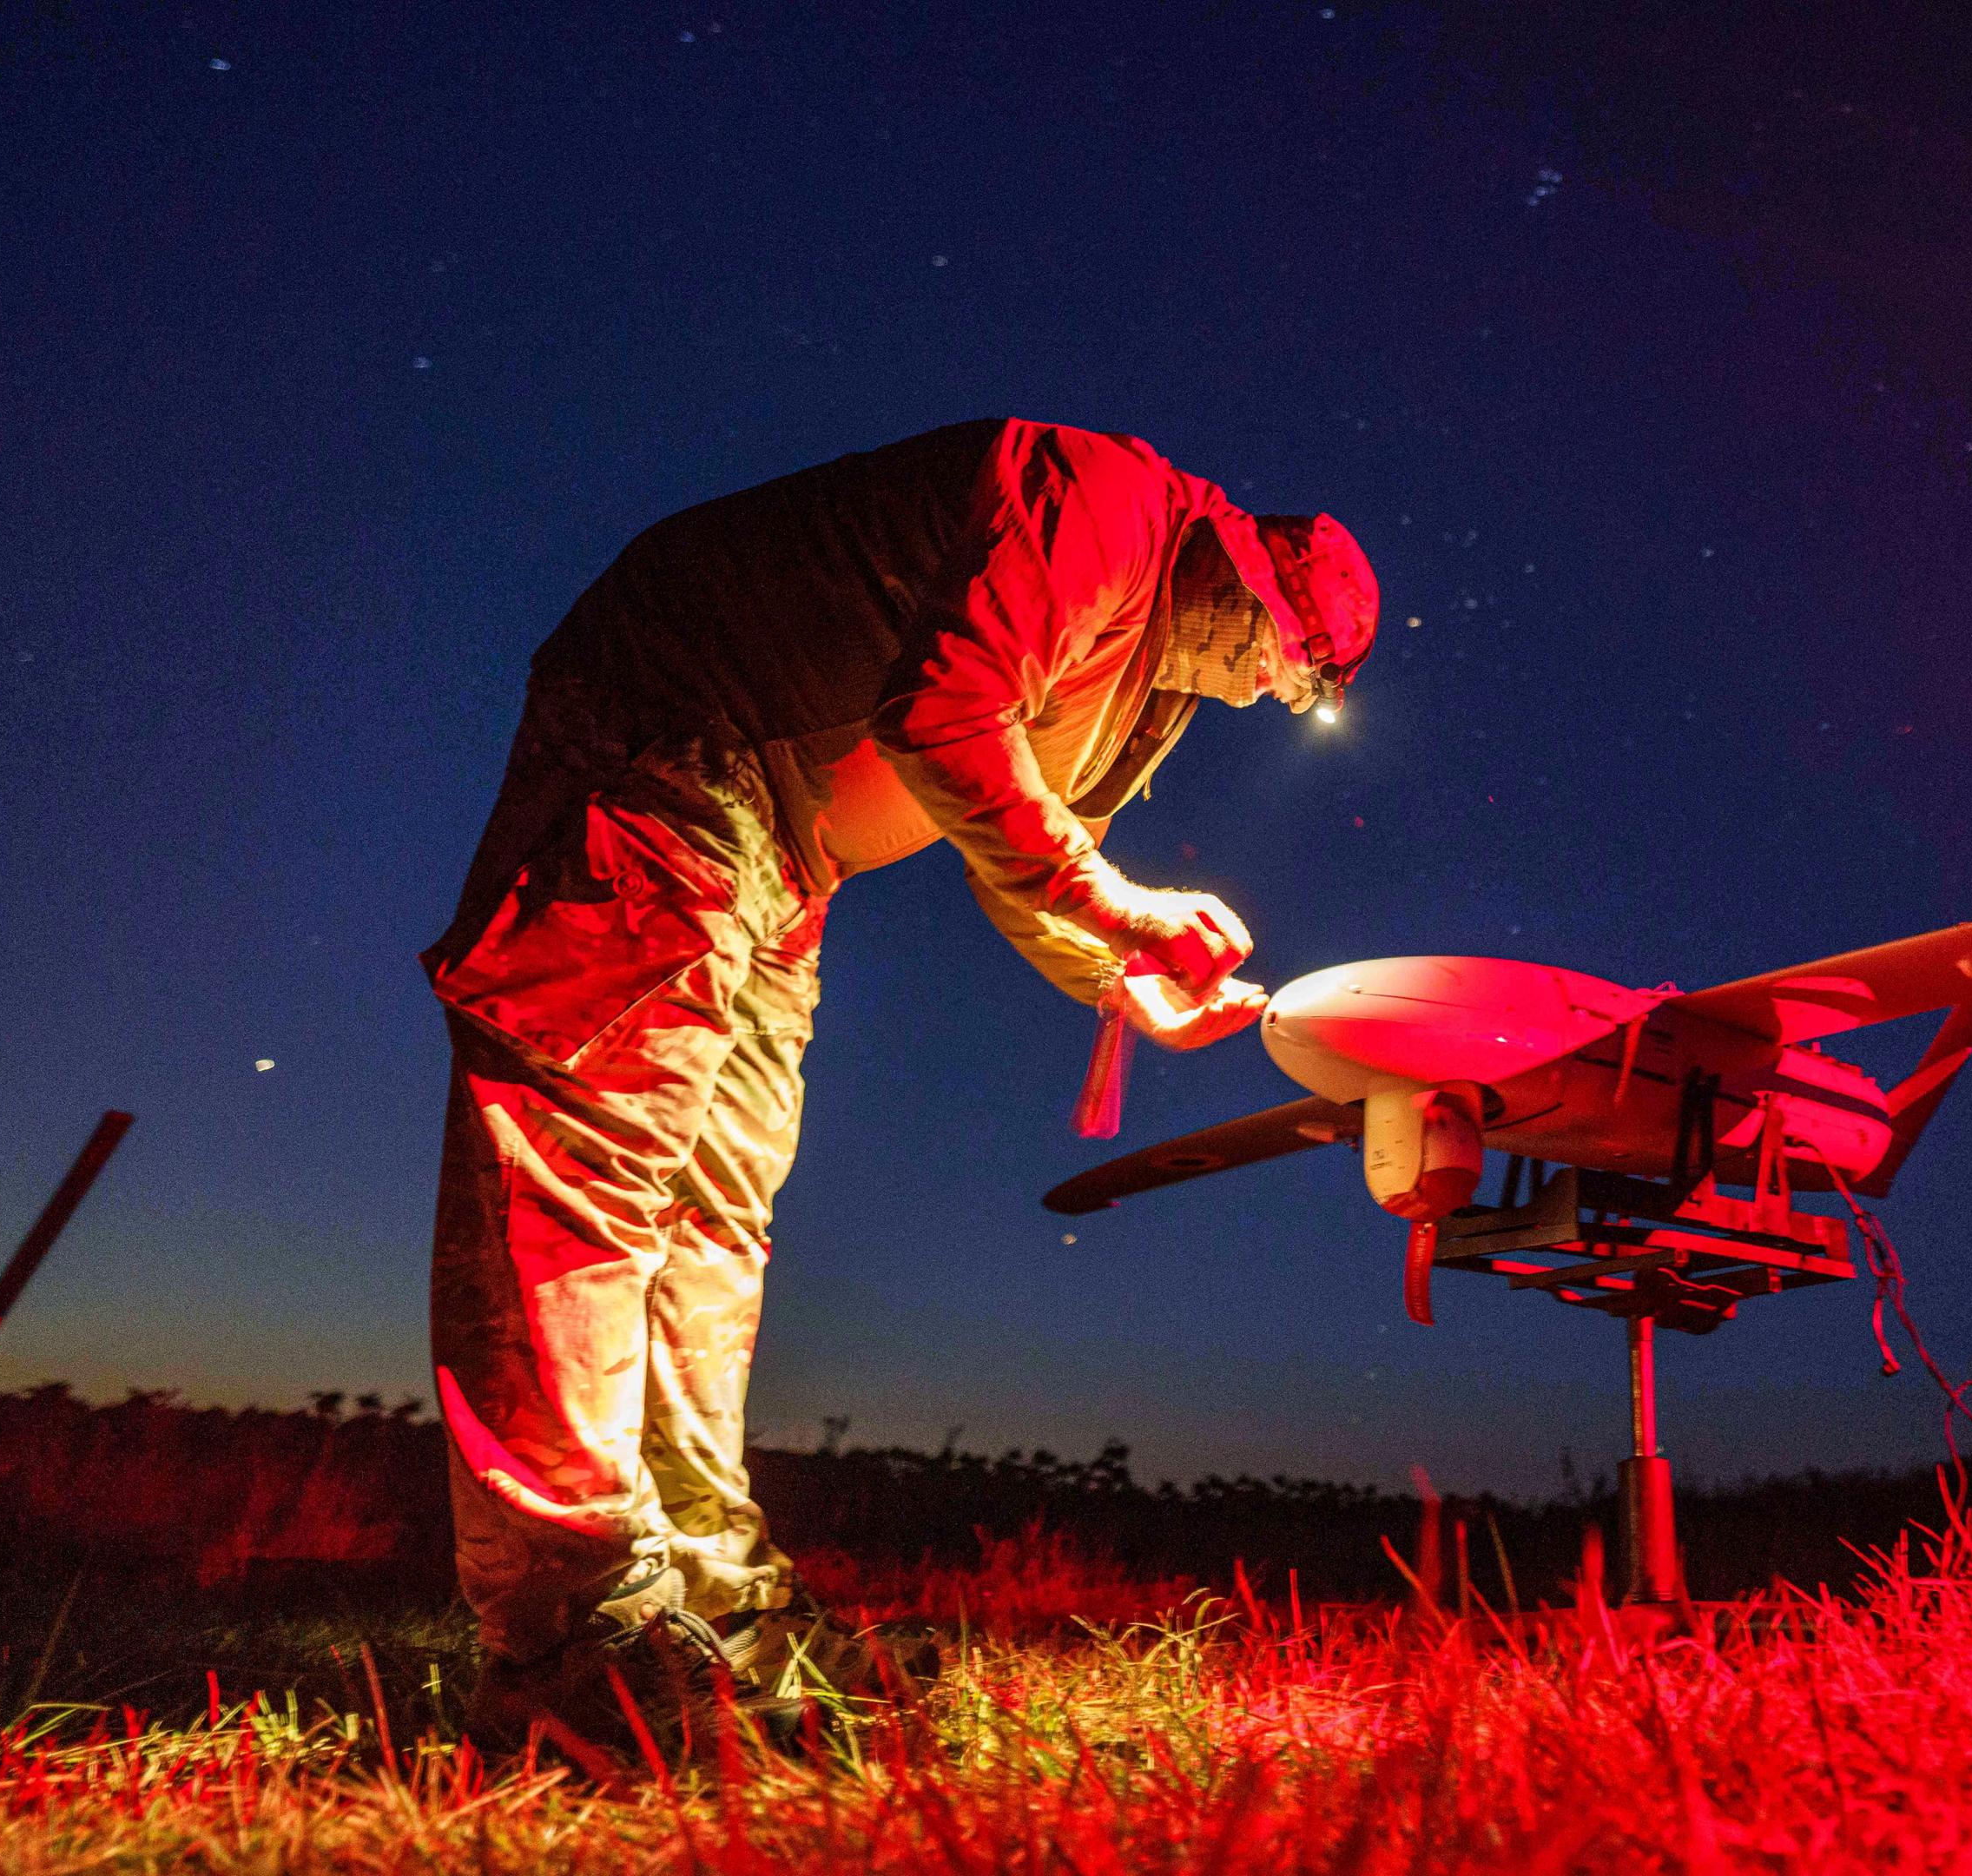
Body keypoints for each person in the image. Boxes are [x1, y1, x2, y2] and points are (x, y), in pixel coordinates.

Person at [421, 419, 1375, 1750]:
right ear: (1245, 572)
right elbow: (946, 721)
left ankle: (712, 1598)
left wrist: (1117, 972)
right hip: (670, 750)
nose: (1270, 688)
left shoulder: (1140, 679)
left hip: (788, 856)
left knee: (713, 1218)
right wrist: (1117, 903)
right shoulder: (1106, 507)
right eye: (1284, 658)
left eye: (1295, 684)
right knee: (588, 1162)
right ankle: (566, 1639)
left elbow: (1029, 834)